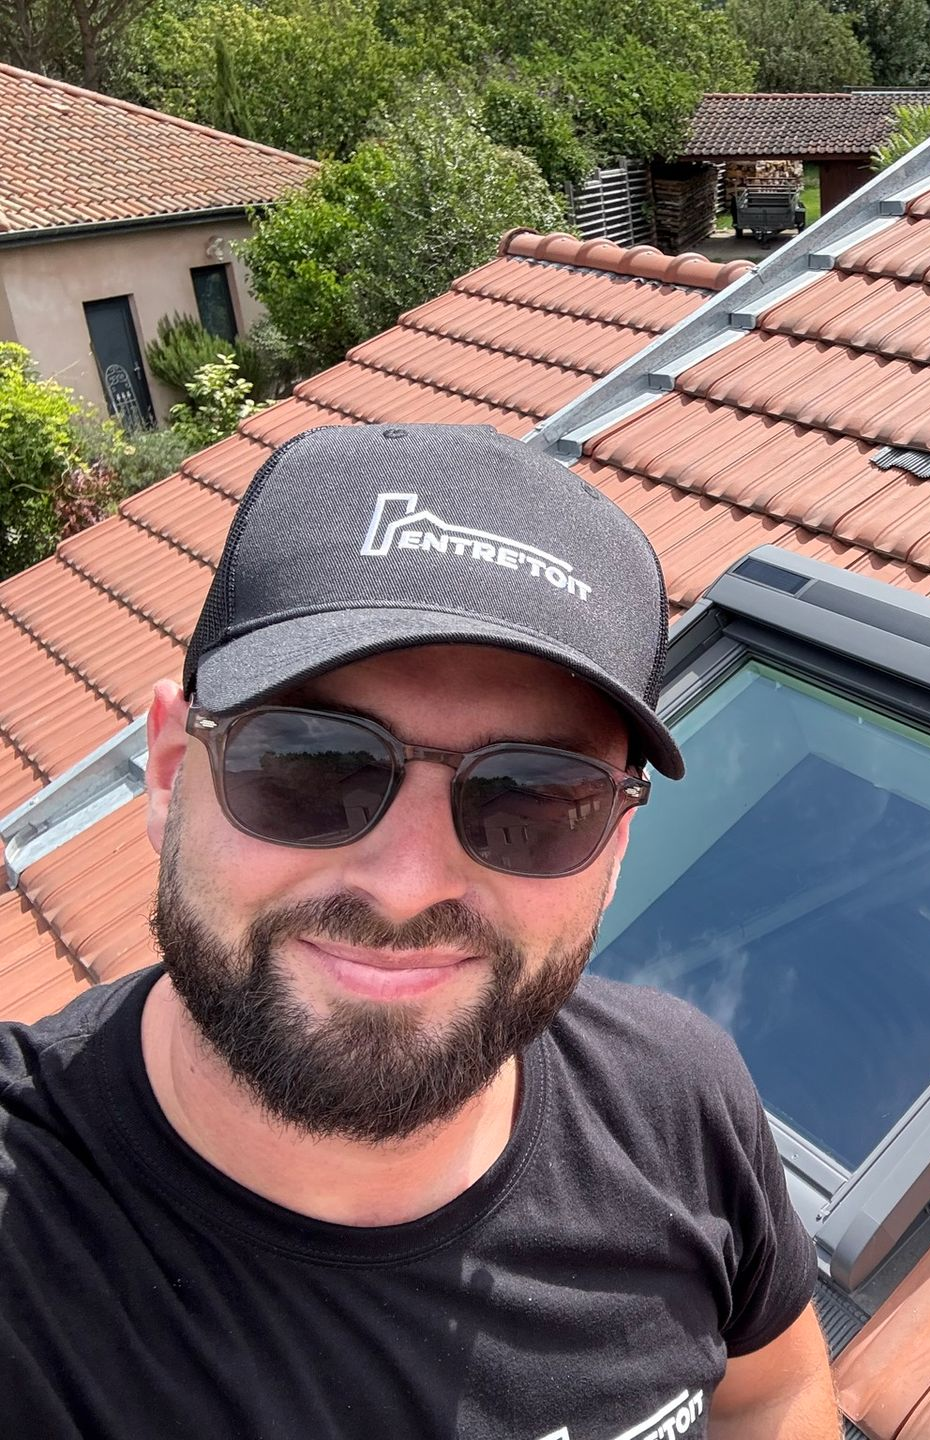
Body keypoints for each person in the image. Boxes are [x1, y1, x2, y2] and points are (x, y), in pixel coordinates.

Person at [0, 425, 839, 1439]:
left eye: (532, 796)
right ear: (174, 770)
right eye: (313, 762)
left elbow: (775, 1394)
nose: (405, 887)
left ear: (615, 844)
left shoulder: (681, 1104)